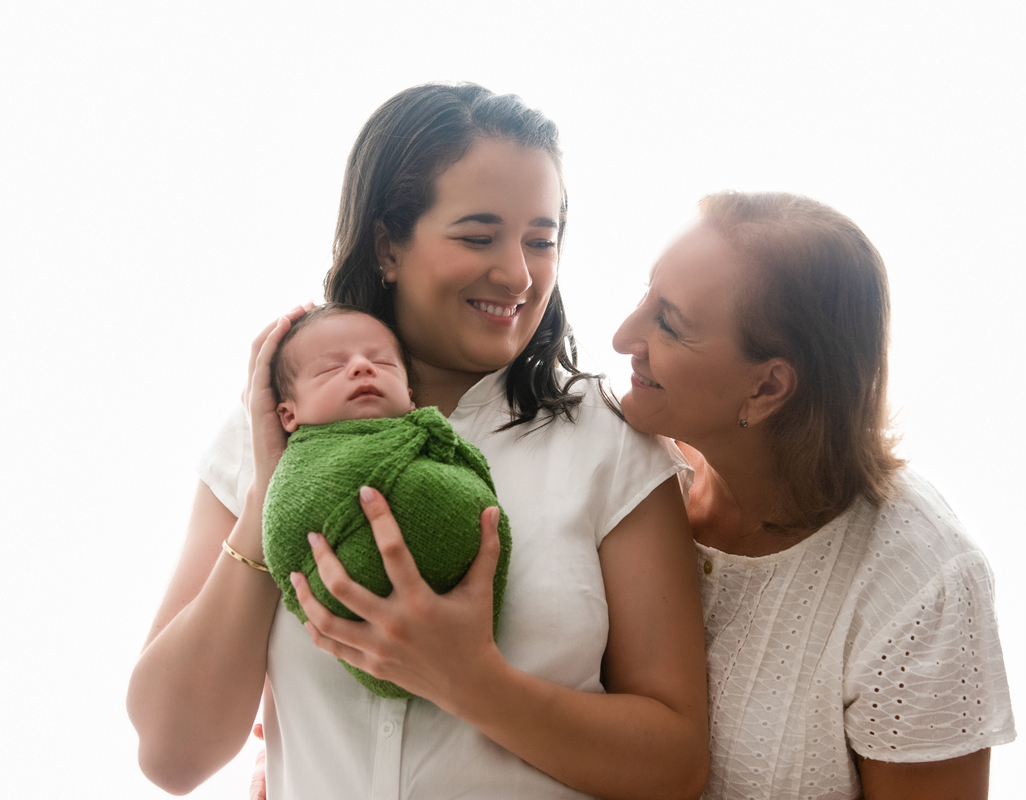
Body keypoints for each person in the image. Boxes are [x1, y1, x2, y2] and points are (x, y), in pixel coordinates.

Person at [127, 83, 710, 800]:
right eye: (477, 236)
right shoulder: (268, 429)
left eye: (541, 239)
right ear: (386, 246)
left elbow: (676, 766)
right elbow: (172, 757)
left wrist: (472, 682)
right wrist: (268, 498)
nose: (518, 275)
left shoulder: (611, 442)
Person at [611, 190, 1016, 800]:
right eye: (646, 295)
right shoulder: (628, 473)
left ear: (768, 386)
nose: (623, 336)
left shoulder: (921, 581)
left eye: (668, 322)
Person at [261, 302, 512, 700]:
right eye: (331, 367)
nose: (362, 367)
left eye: (383, 363)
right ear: (288, 416)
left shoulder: (428, 440)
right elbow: (286, 524)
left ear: (411, 399)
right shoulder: (295, 465)